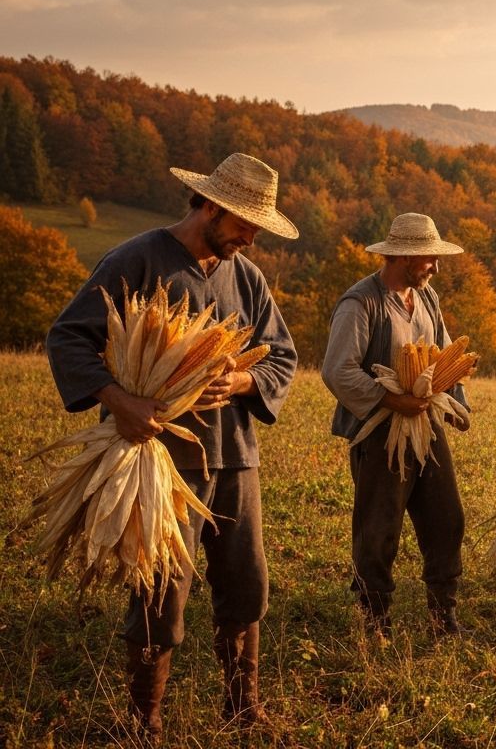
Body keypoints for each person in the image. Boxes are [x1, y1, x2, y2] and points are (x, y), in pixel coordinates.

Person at [46, 153, 298, 735]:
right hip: (162, 464)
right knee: (162, 589)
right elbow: (68, 337)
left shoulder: (247, 278)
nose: (251, 237)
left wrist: (241, 379)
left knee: (245, 582)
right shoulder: (137, 259)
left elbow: (281, 356)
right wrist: (119, 400)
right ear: (209, 204)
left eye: (258, 227)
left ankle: (242, 708)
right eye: (244, 223)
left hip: (235, 456)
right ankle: (145, 720)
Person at [322, 213, 471, 638]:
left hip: (427, 423)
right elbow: (338, 370)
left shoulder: (427, 299)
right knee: (379, 525)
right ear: (402, 256)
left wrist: (456, 404)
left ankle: (444, 615)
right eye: (428, 259)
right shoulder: (360, 303)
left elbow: (444, 358)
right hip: (380, 428)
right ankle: (375, 618)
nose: (435, 268)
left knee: (447, 519)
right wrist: (393, 400)